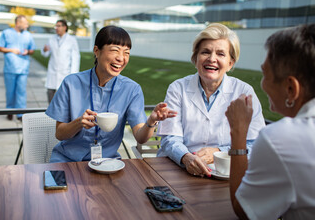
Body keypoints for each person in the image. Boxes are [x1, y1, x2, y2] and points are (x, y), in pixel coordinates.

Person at [45, 25, 177, 162]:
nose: (121, 58)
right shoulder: (71, 83)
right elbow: (59, 134)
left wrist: (151, 121)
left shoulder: (132, 90)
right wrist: (79, 122)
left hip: (107, 163)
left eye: (127, 53)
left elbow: (140, 137)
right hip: (67, 160)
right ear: (97, 51)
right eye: (115, 50)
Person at [225, 24, 315, 219]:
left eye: (265, 74)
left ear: (291, 89)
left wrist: (238, 131)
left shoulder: (282, 138)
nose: (262, 83)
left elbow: (244, 209)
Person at [156, 23, 265, 177]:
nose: (212, 59)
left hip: (224, 173)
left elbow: (255, 144)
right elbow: (170, 138)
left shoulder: (244, 92)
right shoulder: (177, 88)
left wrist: (220, 151)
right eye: (205, 52)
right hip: (177, 169)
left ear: (230, 63)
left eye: (221, 54)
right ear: (195, 58)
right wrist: (186, 157)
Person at [0, 15, 36, 121]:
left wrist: (28, 51)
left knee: (21, 91)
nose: (27, 25)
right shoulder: (6, 33)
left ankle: (20, 114)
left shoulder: (28, 35)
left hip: (23, 68)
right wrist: (11, 50)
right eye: (25, 23)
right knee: (10, 91)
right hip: (10, 68)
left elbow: (32, 49)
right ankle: (9, 111)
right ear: (18, 23)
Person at [41, 19, 81, 103]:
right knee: (50, 96)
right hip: (52, 72)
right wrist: (44, 50)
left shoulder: (72, 40)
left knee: (63, 99)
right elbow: (46, 54)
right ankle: (50, 115)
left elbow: (75, 58)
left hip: (65, 73)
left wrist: (73, 74)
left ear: (65, 27)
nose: (56, 28)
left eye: (59, 26)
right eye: (56, 26)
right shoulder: (52, 38)